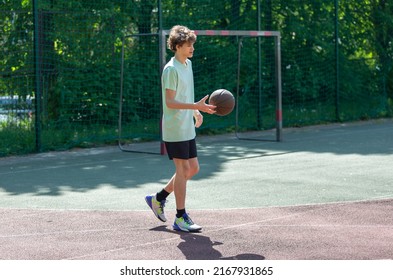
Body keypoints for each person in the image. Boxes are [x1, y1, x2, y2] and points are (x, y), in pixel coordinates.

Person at [145, 25, 216, 232]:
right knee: (183, 169)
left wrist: (195, 111)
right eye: (188, 45)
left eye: (192, 44)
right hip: (175, 127)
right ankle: (180, 217)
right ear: (177, 46)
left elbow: (184, 95)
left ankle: (158, 198)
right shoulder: (171, 69)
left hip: (187, 126)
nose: (192, 48)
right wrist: (196, 106)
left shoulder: (188, 65)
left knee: (193, 169)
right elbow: (171, 102)